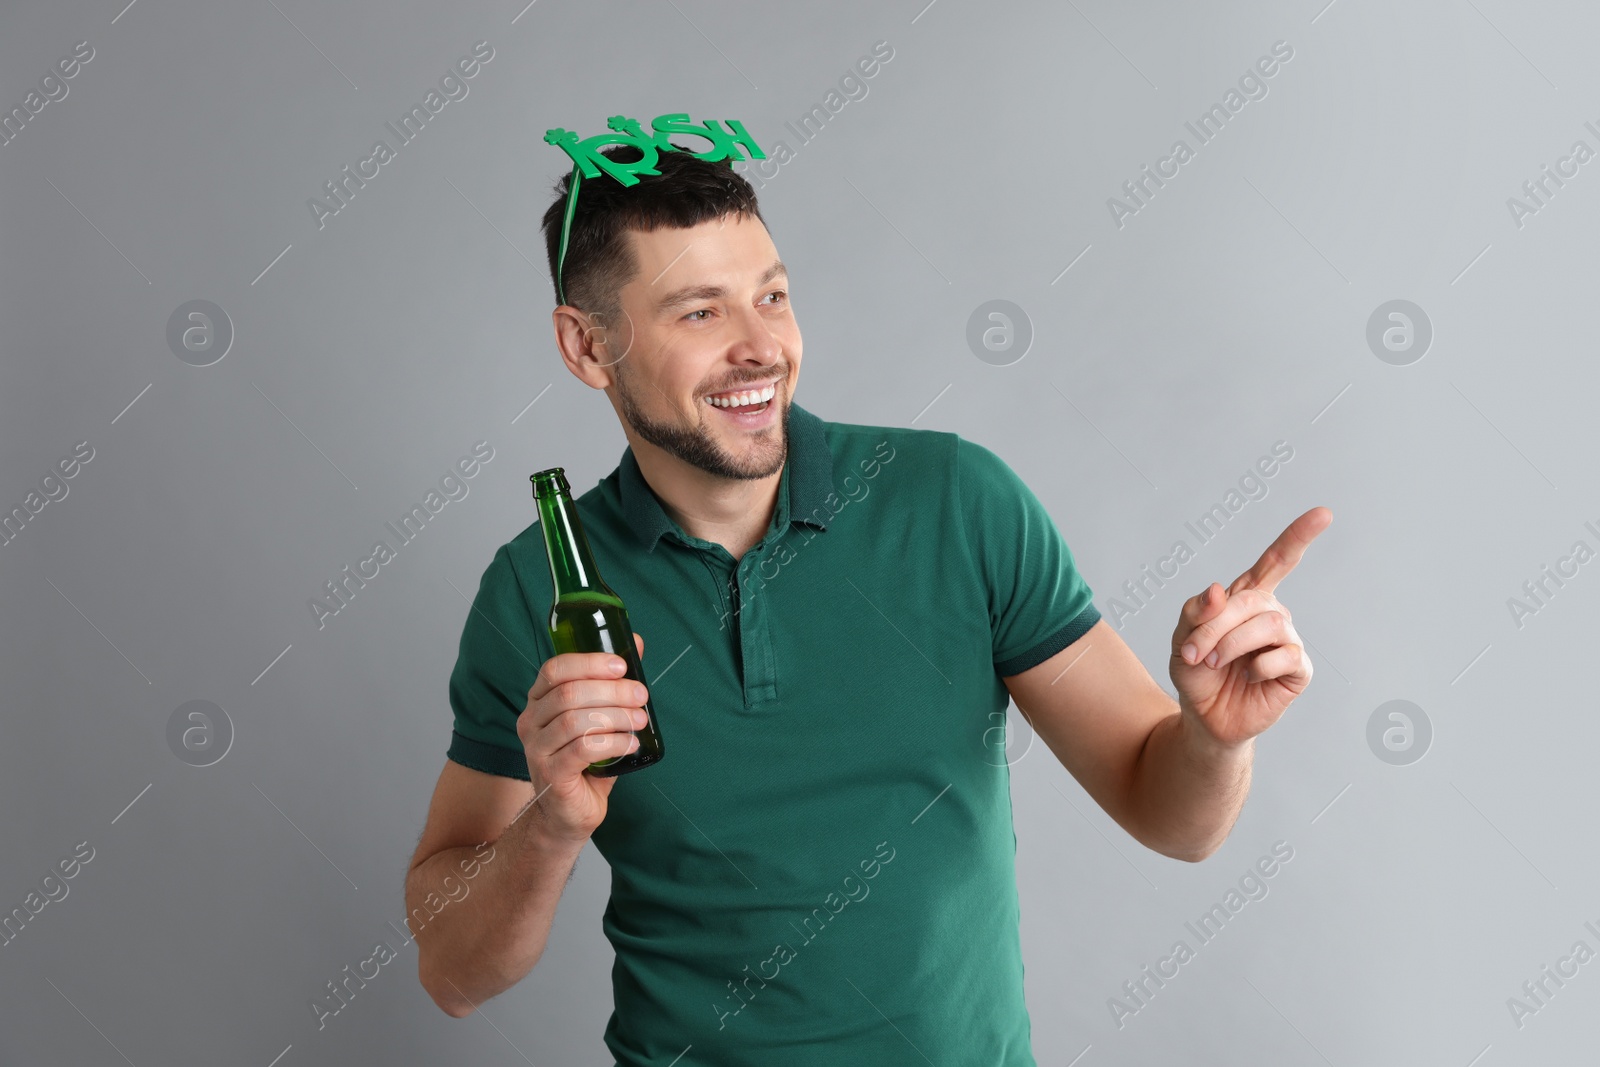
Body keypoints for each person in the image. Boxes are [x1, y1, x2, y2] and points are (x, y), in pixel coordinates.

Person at [404, 144, 1330, 1065]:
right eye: (699, 310)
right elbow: (454, 973)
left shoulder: (959, 502)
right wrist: (552, 822)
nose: (761, 345)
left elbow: (1174, 817)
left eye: (771, 294)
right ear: (588, 344)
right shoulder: (539, 590)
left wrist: (1214, 739)